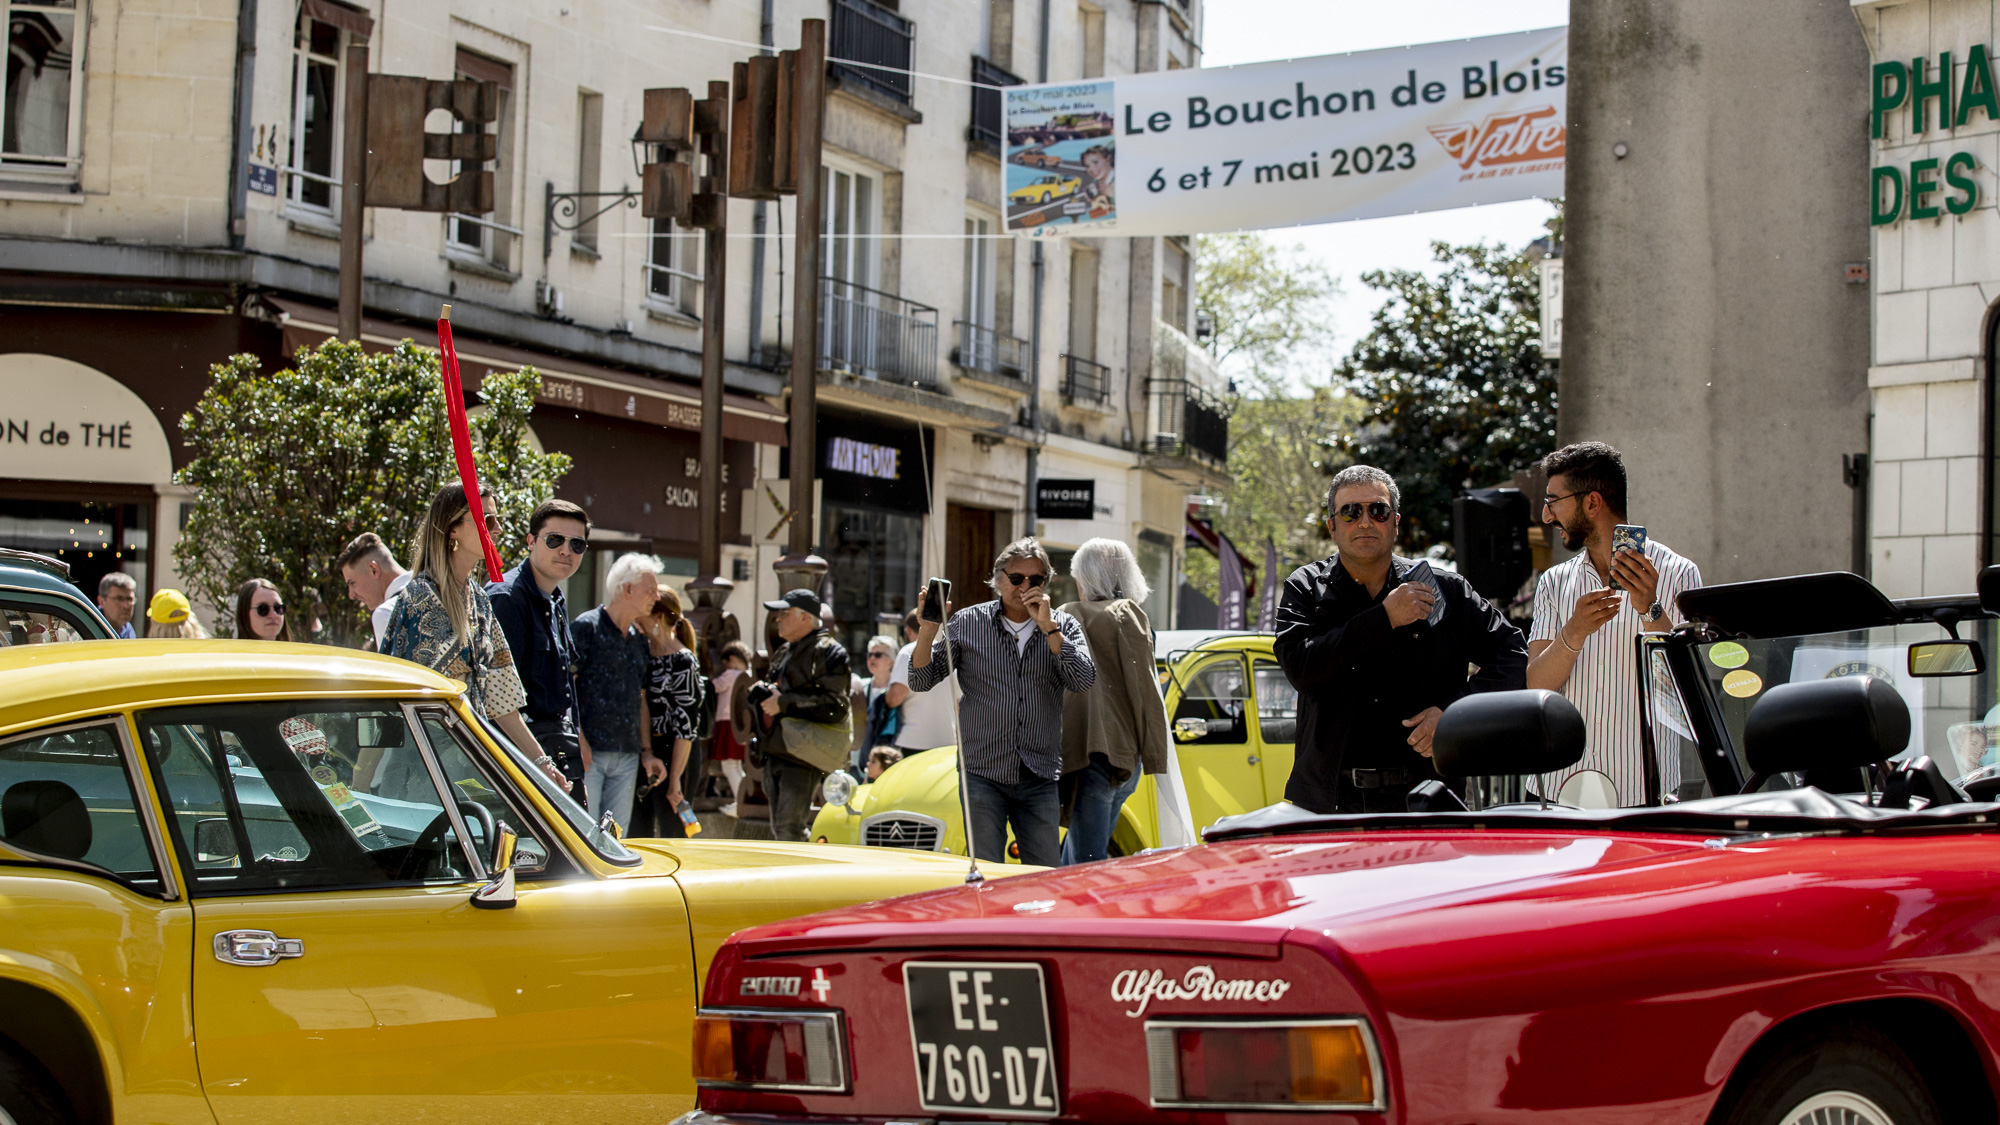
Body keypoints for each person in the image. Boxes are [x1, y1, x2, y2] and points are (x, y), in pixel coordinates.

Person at [1274, 465, 1529, 815]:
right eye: (1350, 512)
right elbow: (1301, 669)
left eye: (1377, 511)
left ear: (1395, 522)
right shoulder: (1305, 588)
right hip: (1330, 800)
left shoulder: (1445, 588)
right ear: (1332, 526)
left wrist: (1455, 712)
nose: (1364, 522)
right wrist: (1384, 618)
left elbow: (1513, 654)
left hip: (1427, 797)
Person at [1527, 442, 1703, 805]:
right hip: (1557, 790)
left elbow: (1688, 693)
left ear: (1592, 503)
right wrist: (1573, 632)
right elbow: (1535, 685)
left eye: (1553, 501)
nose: (1547, 516)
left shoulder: (1680, 573)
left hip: (1643, 791)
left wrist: (1650, 609)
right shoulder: (1554, 581)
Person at [908, 538, 1095, 867]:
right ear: (998, 579)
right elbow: (921, 680)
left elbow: (1083, 680)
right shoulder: (967, 623)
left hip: (1038, 773)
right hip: (983, 772)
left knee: (1042, 876)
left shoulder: (1063, 625)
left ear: (1046, 583)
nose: (1025, 586)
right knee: (985, 873)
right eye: (1016, 578)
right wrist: (927, 631)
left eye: (1035, 580)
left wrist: (1049, 628)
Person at [378, 482, 556, 796]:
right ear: (453, 529)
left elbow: (502, 701)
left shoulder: (479, 600)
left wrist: (542, 765)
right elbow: (396, 703)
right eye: (487, 520)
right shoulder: (418, 600)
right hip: (421, 775)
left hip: (468, 768)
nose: (498, 529)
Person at [1057, 537, 1169, 864]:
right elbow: (1146, 690)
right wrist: (1153, 754)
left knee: (1083, 862)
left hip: (1089, 753)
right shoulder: (1129, 613)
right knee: (1085, 855)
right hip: (1124, 759)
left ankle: (1072, 915)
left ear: (1085, 579)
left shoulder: (1069, 614)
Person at [486, 500, 591, 801]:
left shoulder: (556, 598)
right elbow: (498, 701)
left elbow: (565, 682)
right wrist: (538, 761)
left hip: (558, 748)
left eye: (577, 544)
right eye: (555, 539)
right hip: (519, 756)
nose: (566, 551)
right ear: (531, 542)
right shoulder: (506, 599)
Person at [572, 553, 669, 831]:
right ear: (627, 589)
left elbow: (640, 698)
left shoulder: (639, 640)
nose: (655, 597)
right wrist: (578, 741)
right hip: (589, 754)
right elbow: (567, 689)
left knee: (617, 838)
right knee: (584, 836)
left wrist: (647, 751)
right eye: (650, 590)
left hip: (627, 757)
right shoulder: (586, 627)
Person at [751, 589, 852, 842]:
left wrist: (783, 703)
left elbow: (835, 706)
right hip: (775, 751)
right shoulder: (785, 651)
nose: (778, 620)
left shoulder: (830, 652)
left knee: (789, 829)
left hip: (802, 756)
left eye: (784, 614)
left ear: (805, 617)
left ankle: (802, 879)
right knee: (781, 829)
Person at [635, 584, 701, 838]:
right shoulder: (642, 652)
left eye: (643, 610)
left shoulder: (684, 660)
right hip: (646, 749)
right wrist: (646, 749)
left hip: (677, 752)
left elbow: (686, 726)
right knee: (637, 831)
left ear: (658, 617)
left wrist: (675, 780)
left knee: (674, 832)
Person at [890, 608, 958, 756]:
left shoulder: (908, 651)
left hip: (914, 740)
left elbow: (895, 697)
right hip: (947, 741)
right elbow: (959, 702)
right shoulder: (946, 653)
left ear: (908, 630)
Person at [335, 532, 412, 651]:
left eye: (352, 583)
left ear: (374, 570)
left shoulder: (386, 613)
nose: (351, 595)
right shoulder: (437, 584)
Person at [710, 640, 754, 816]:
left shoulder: (730, 675)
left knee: (728, 766)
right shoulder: (750, 675)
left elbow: (713, 686)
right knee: (735, 766)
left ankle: (740, 802)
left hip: (727, 723)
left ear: (732, 659)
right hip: (741, 724)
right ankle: (743, 799)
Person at [862, 635, 901, 754]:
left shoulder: (898, 691)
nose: (872, 659)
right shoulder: (861, 688)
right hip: (864, 755)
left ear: (891, 662)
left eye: (878, 655)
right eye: (870, 655)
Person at [97, 573, 136, 638]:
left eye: (129, 599)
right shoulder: (89, 626)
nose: (125, 606)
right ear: (102, 601)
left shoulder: (128, 630)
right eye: (119, 599)